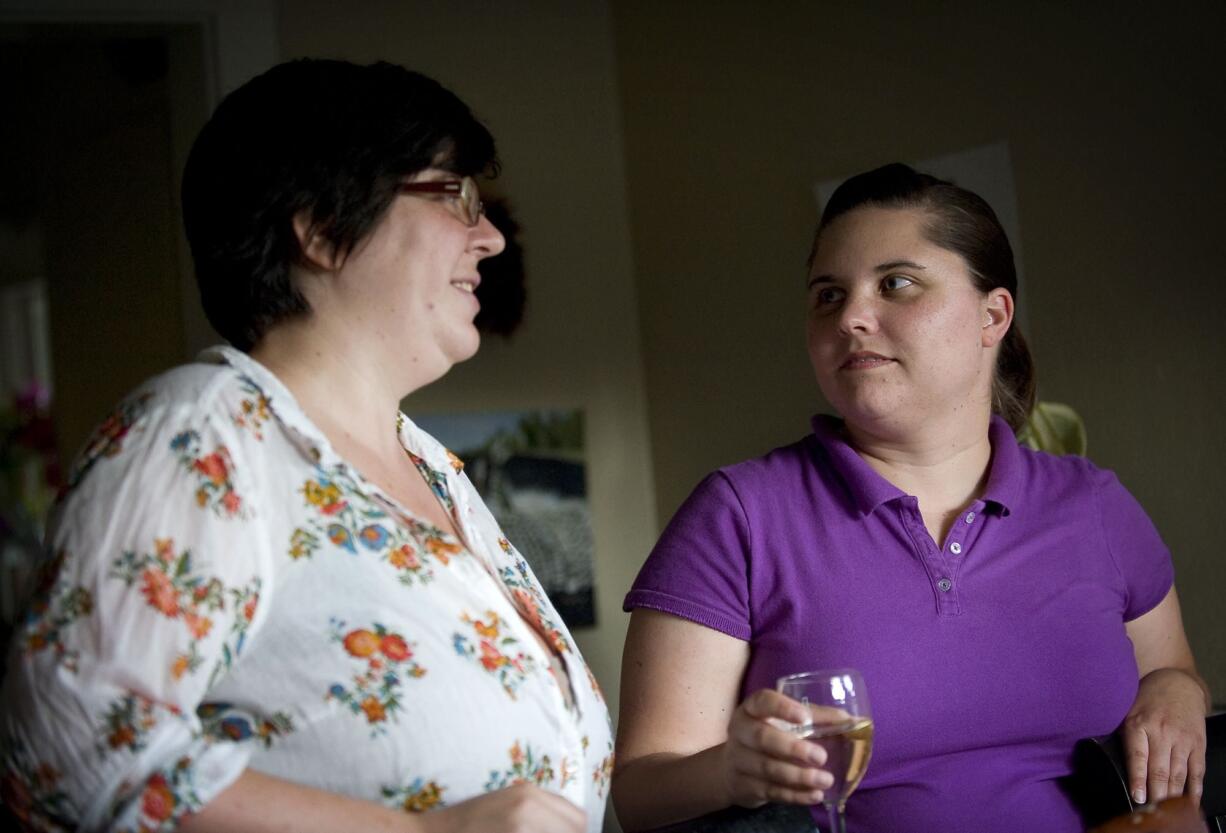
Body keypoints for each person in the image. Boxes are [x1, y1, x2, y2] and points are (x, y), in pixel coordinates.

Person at [0, 59, 610, 833]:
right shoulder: (202, 432)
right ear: (321, 227)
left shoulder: (423, 461)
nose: (489, 236)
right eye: (453, 193)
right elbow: (63, 742)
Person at [612, 164, 1209, 832]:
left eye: (895, 283)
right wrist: (729, 770)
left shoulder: (1095, 504)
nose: (852, 317)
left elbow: (1172, 669)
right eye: (828, 295)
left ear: (993, 315)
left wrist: (1176, 691)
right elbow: (639, 789)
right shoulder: (738, 515)